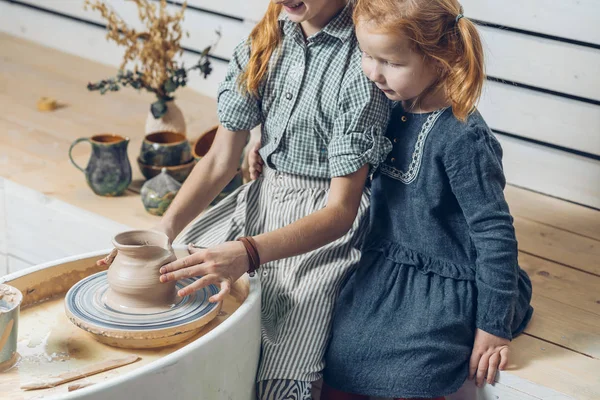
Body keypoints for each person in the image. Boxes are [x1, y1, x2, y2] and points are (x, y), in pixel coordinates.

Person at [100, 1, 391, 399]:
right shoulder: (265, 40)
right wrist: (161, 231)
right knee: (179, 298)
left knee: (280, 368)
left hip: (322, 226)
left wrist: (248, 253)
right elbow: (221, 160)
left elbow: (340, 212)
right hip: (259, 199)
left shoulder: (363, 59)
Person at [249, 1, 534, 399]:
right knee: (340, 352)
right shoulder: (387, 108)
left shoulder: (463, 138)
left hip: (446, 276)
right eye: (366, 55)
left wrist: (493, 326)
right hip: (386, 266)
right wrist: (260, 139)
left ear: (441, 58)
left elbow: (495, 234)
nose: (373, 71)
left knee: (413, 369)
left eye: (391, 62)